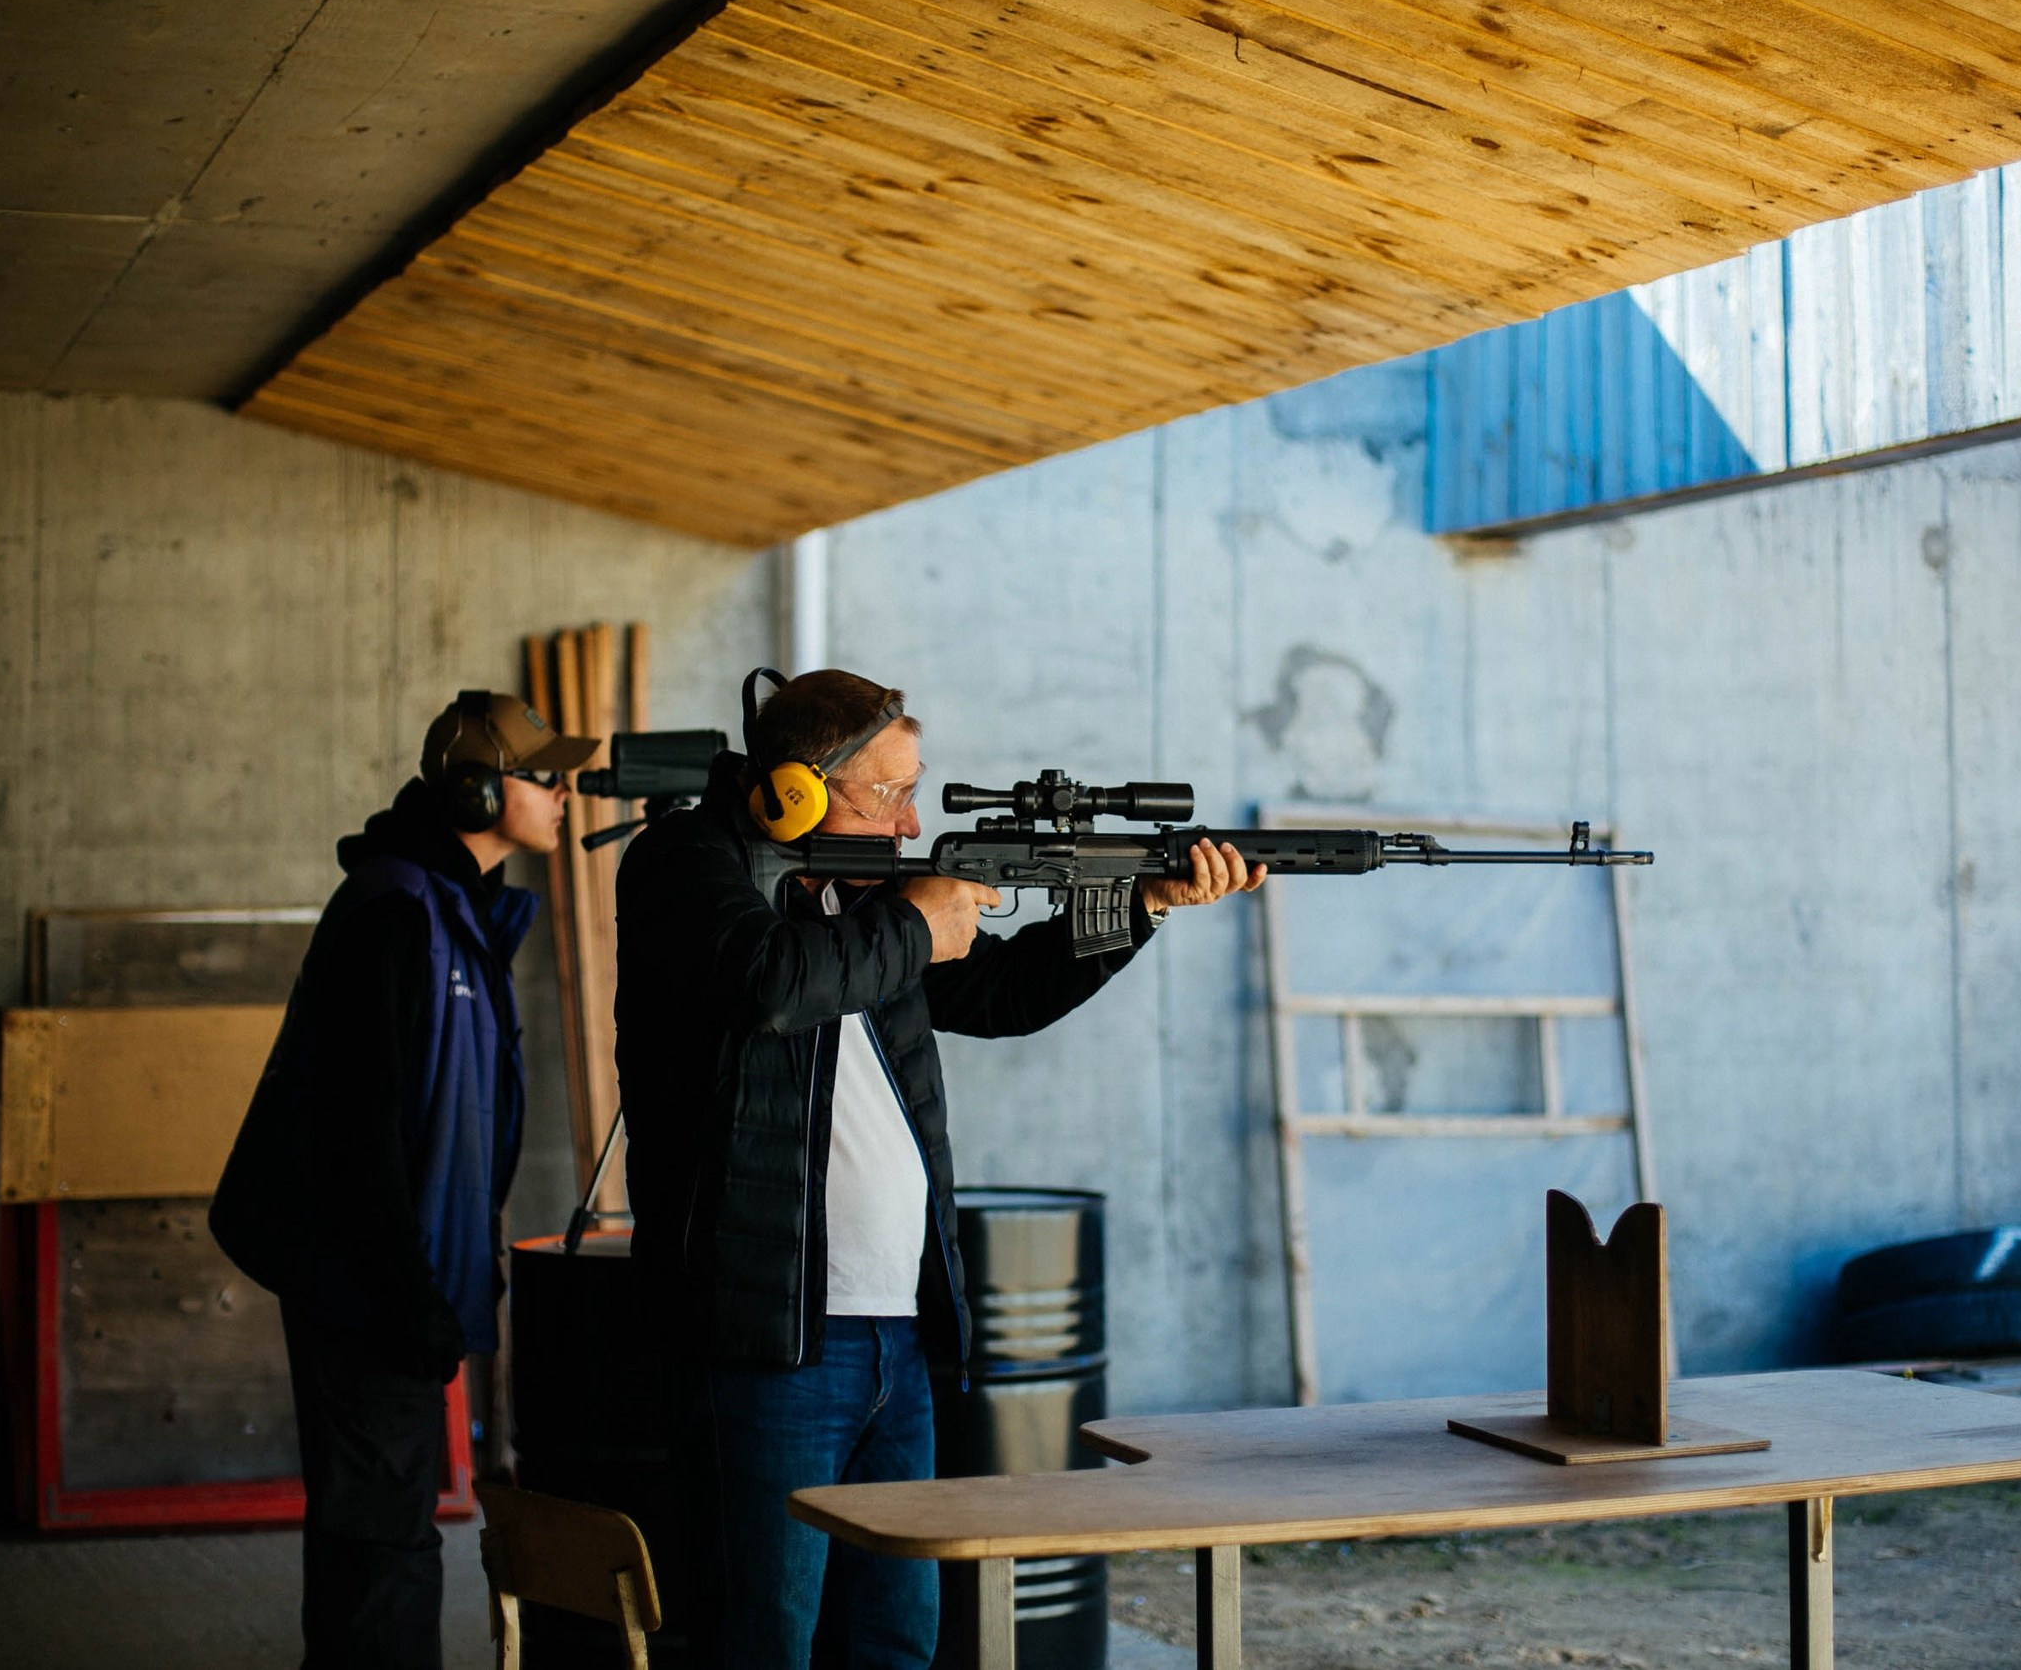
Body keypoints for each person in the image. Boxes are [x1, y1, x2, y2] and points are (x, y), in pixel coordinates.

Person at [614, 668, 1264, 1669]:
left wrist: (1139, 904)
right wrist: (914, 919)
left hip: (898, 1337)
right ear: (797, 788)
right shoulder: (682, 863)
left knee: (894, 1639)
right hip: (763, 1339)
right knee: (763, 1639)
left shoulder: (860, 894)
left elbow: (1002, 992)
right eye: (892, 792)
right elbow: (767, 982)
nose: (914, 815)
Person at [212, 689, 595, 1670]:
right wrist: (405, 1292)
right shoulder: (395, 912)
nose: (565, 793)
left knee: (390, 1528)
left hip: (401, 1276)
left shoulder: (455, 912)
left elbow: (445, 1123)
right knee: (380, 1542)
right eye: (544, 776)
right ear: (476, 790)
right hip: (369, 1285)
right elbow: (354, 1130)